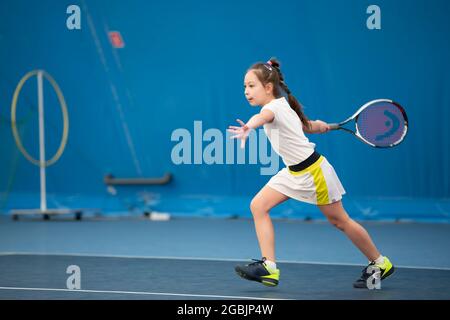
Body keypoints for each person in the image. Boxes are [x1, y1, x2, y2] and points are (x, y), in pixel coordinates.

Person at [228, 58, 394, 289]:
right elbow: (308, 126)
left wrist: (248, 126)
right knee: (258, 206)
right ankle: (269, 268)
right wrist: (321, 125)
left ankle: (380, 262)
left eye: (251, 85)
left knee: (340, 221)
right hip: (293, 172)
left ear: (268, 87)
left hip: (313, 172)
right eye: (244, 87)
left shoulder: (272, 109)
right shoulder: (284, 105)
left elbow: (262, 118)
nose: (246, 91)